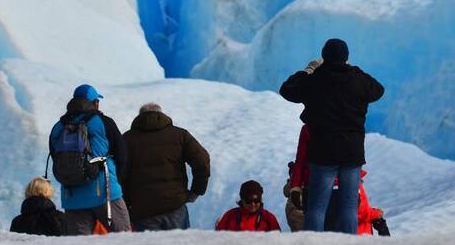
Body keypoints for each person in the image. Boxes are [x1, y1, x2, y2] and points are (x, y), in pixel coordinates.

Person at [279, 38, 384, 234]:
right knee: (349, 206)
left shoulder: (315, 80)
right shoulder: (356, 80)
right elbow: (378, 89)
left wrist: (307, 71)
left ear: (324, 56)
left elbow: (287, 89)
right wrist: (354, 70)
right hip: (351, 152)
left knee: (317, 206)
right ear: (346, 58)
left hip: (323, 151)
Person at [49, 84, 130, 235]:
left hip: (72, 198)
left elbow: (57, 158)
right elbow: (122, 155)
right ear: (95, 103)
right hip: (106, 194)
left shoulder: (59, 127)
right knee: (124, 240)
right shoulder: (104, 122)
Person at [121, 103, 210, 231]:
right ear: (161, 114)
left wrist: (126, 202)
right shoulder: (180, 135)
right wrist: (196, 191)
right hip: (175, 206)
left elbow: (119, 174)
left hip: (142, 211)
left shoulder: (127, 139)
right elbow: (202, 161)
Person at [285, 124, 384, 234]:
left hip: (314, 182)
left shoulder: (309, 126)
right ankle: (349, 243)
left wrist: (295, 186)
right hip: (344, 182)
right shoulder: (352, 121)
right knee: (349, 210)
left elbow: (300, 160)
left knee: (316, 211)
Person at [215, 180, 281, 232]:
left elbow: (278, 242)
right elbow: (218, 239)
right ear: (242, 199)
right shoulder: (230, 216)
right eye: (248, 200)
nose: (253, 204)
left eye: (256, 200)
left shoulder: (268, 218)